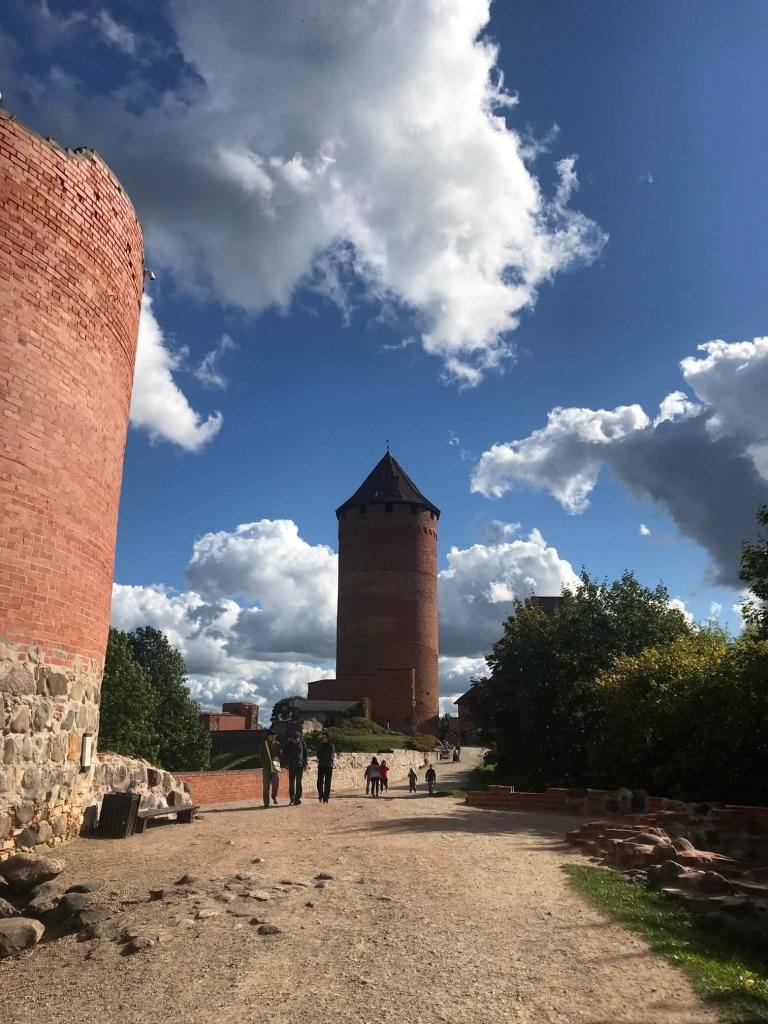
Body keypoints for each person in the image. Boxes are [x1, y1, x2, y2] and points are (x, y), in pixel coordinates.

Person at [259, 729, 281, 807]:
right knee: (266, 787)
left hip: (275, 768)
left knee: (276, 785)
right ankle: (266, 802)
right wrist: (263, 763)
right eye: (272, 736)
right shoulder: (263, 744)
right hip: (266, 768)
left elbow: (280, 754)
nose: (274, 737)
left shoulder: (277, 744)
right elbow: (260, 754)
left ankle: (274, 796)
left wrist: (279, 763)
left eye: (275, 736)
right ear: (268, 736)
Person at [286, 730, 308, 805]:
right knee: (291, 783)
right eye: (294, 739)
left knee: (299, 783)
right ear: (292, 738)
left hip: (300, 766)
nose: (295, 741)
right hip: (291, 766)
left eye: (296, 739)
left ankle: (297, 798)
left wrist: (306, 764)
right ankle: (292, 799)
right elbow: (286, 754)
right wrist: (286, 763)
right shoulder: (289, 744)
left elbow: (305, 754)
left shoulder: (303, 743)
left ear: (299, 738)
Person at [316, 730, 335, 803]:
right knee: (319, 782)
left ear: (328, 738)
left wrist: (322, 756)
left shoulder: (331, 746)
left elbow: (330, 756)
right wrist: (323, 756)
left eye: (324, 737)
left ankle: (325, 799)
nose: (323, 739)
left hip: (328, 766)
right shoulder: (319, 746)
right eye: (322, 737)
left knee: (327, 783)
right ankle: (321, 795)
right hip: (321, 766)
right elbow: (318, 755)